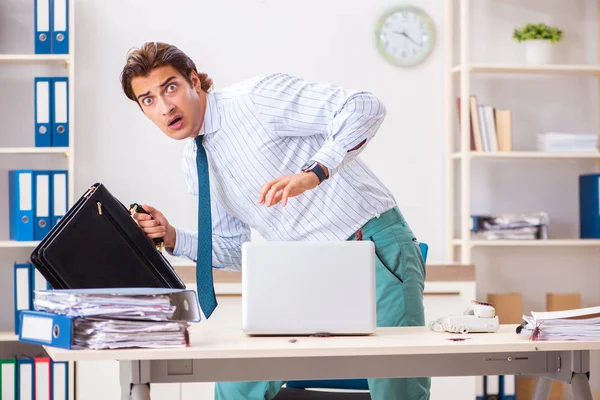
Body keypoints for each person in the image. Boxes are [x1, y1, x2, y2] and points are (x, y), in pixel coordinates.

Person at [120, 41, 430, 400]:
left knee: (397, 388)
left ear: (194, 81)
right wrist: (173, 237)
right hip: (301, 271)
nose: (165, 106)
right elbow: (235, 250)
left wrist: (314, 172)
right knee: (237, 383)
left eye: (170, 87)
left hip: (370, 247)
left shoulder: (255, 99)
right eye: (149, 100)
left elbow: (365, 105)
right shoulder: (195, 160)